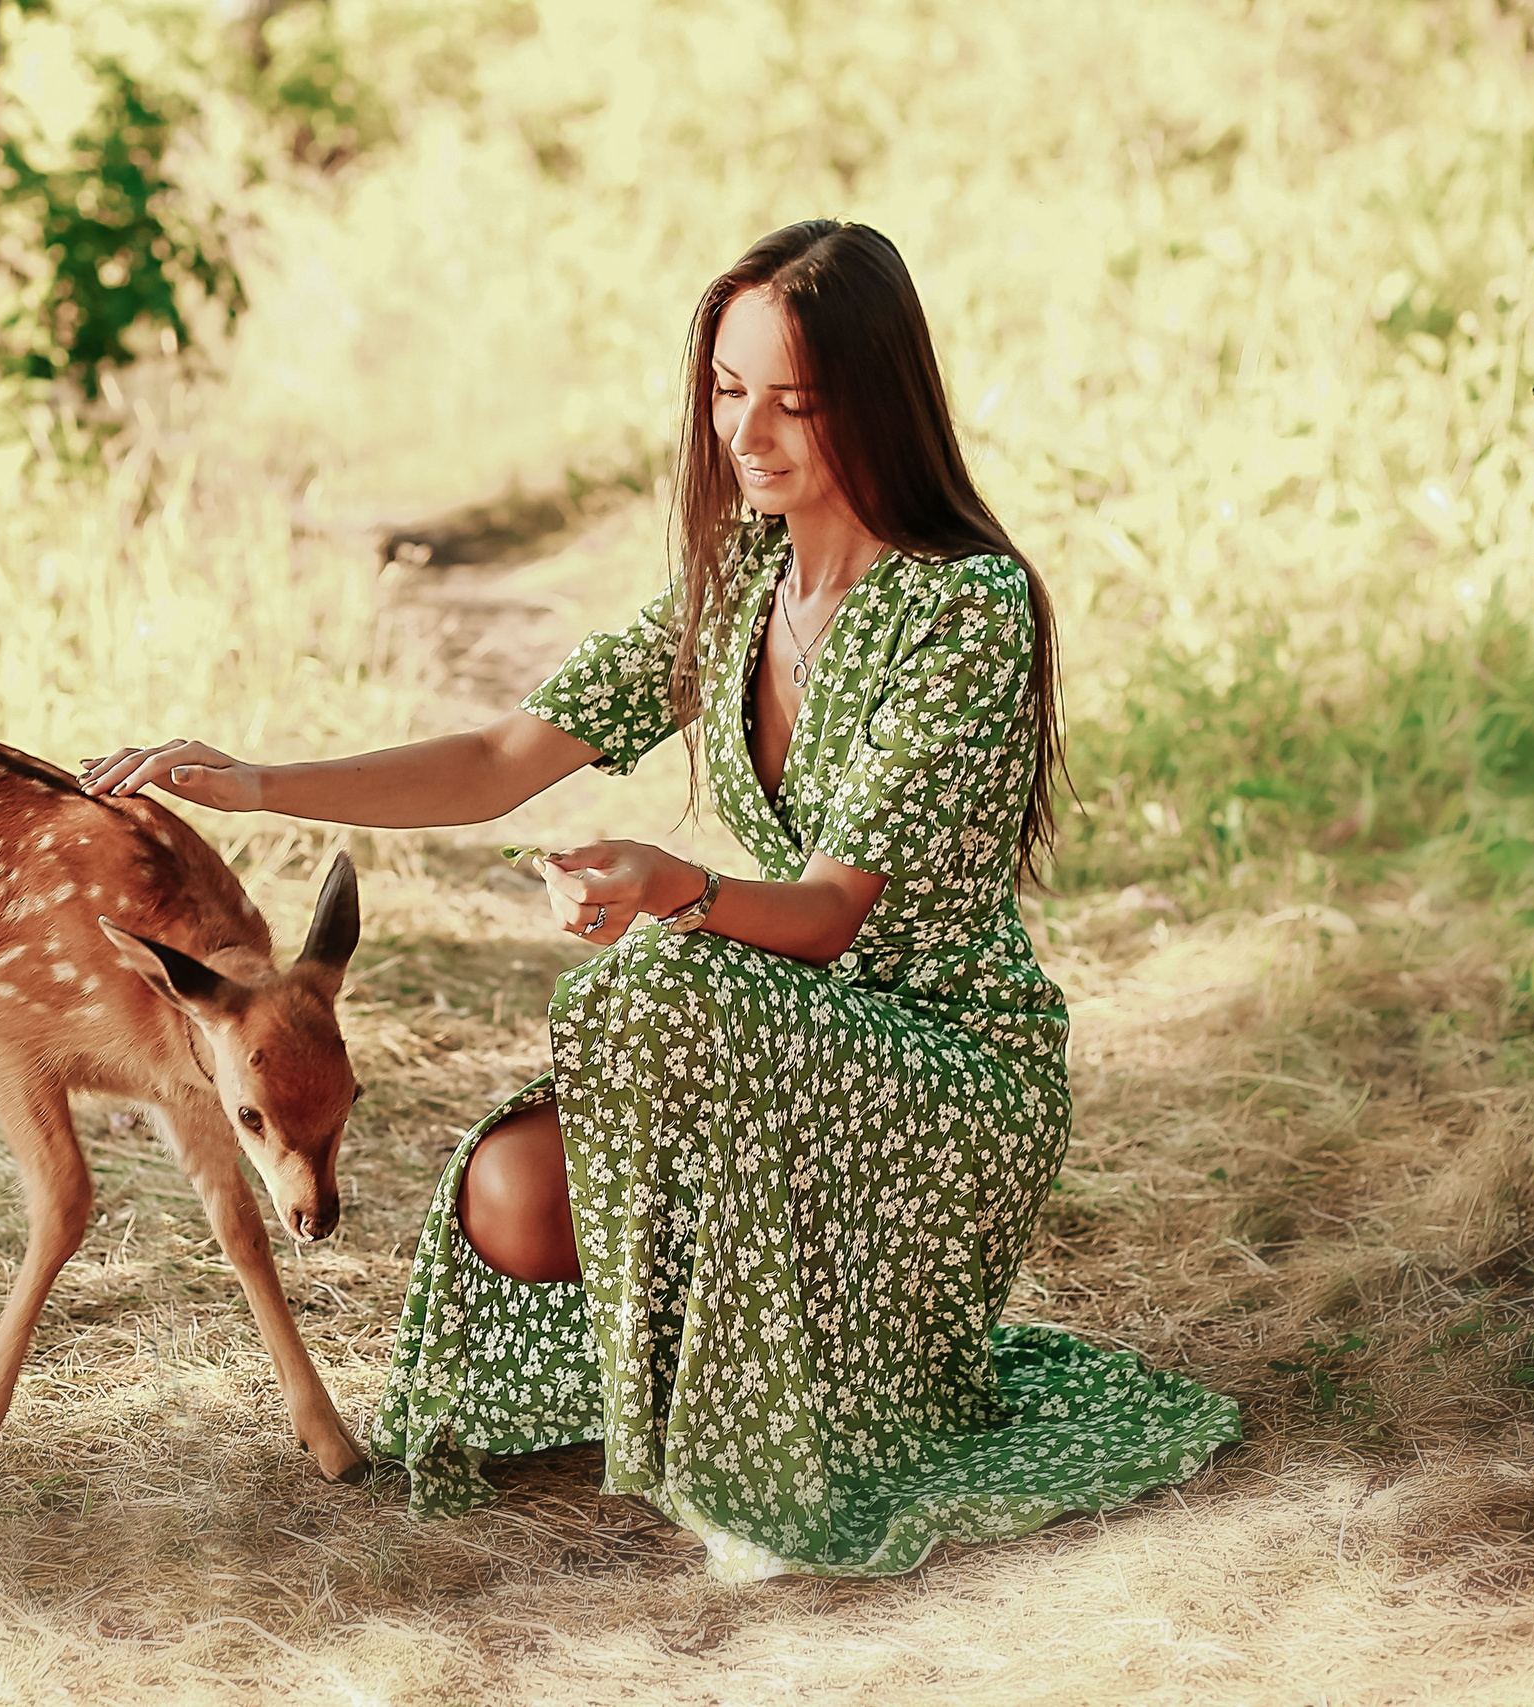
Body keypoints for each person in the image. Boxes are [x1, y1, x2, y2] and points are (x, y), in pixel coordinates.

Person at [80, 220, 1239, 1579]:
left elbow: (827, 919)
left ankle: (749, 1451)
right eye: (728, 391)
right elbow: (501, 761)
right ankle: (738, 1385)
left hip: (941, 1074)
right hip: (761, 1049)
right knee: (510, 1197)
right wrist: (262, 781)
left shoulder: (965, 607)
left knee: (650, 979)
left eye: (796, 403)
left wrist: (673, 887)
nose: (750, 434)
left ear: (880, 400)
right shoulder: (739, 581)